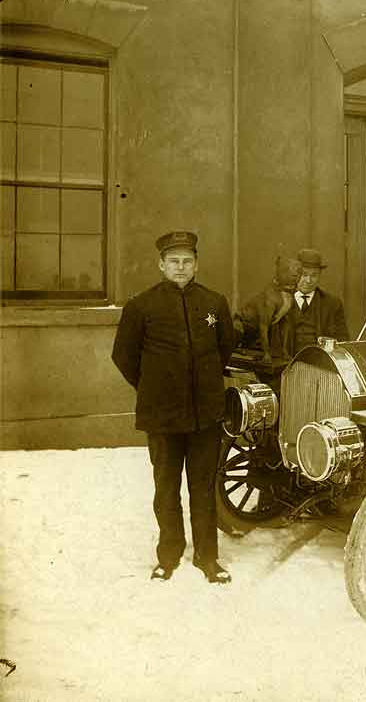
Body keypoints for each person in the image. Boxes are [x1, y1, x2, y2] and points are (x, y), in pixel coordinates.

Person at [112, 231, 237, 583]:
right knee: (165, 488)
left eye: (187, 261)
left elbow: (225, 348)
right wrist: (153, 388)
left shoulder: (215, 303)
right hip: (163, 416)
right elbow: (123, 356)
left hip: (204, 416)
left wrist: (204, 384)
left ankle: (207, 558)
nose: (180, 267)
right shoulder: (141, 306)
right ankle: (168, 556)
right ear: (161, 265)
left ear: (196, 265)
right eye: (173, 262)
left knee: (202, 487)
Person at [287, 247, 351, 353]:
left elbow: (343, 342)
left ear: (319, 276)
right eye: (304, 274)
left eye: (314, 275)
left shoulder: (333, 304)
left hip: (319, 364)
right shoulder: (281, 300)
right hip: (286, 364)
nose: (308, 280)